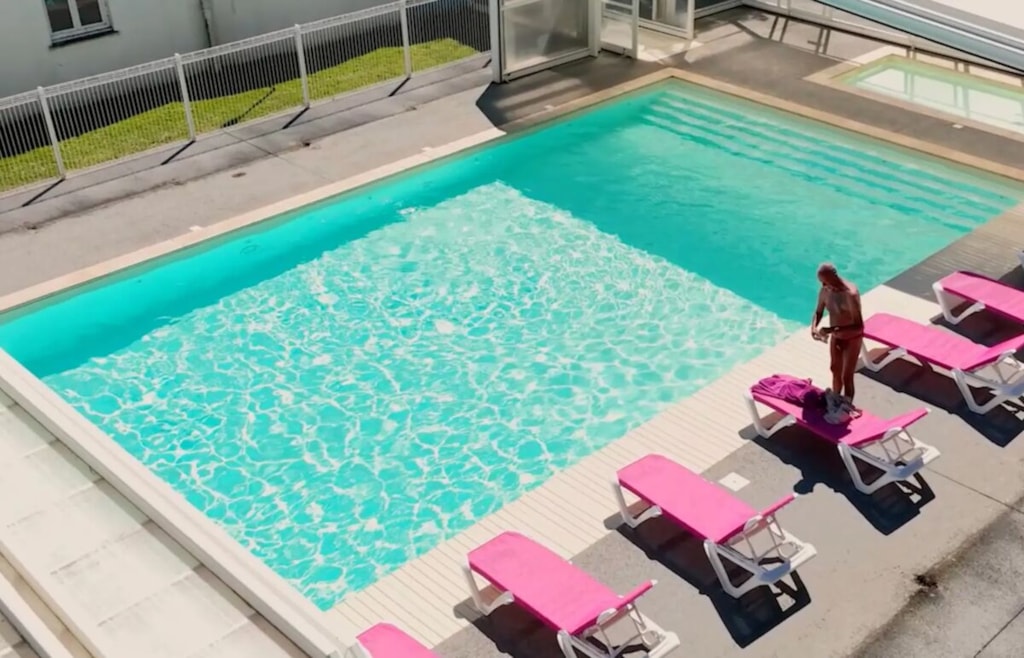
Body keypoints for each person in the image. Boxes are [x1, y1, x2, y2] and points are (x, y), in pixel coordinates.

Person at [811, 262, 864, 405]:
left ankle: (846, 406)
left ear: (834, 277)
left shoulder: (850, 294)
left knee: (847, 376)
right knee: (835, 370)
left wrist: (830, 330)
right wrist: (814, 327)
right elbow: (818, 311)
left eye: (825, 282)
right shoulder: (826, 290)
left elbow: (859, 327)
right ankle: (835, 400)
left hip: (852, 338)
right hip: (836, 337)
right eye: (822, 282)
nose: (823, 285)